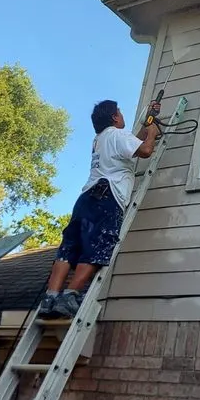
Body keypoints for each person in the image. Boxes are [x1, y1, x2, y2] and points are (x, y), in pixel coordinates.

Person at [38, 98, 161, 319]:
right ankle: (70, 295)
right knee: (98, 246)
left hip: (86, 197)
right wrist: (152, 132)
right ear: (114, 117)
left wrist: (148, 120)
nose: (122, 115)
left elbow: (131, 143)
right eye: (120, 112)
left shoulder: (100, 139)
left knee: (69, 247)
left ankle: (51, 297)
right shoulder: (117, 135)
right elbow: (144, 150)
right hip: (107, 196)